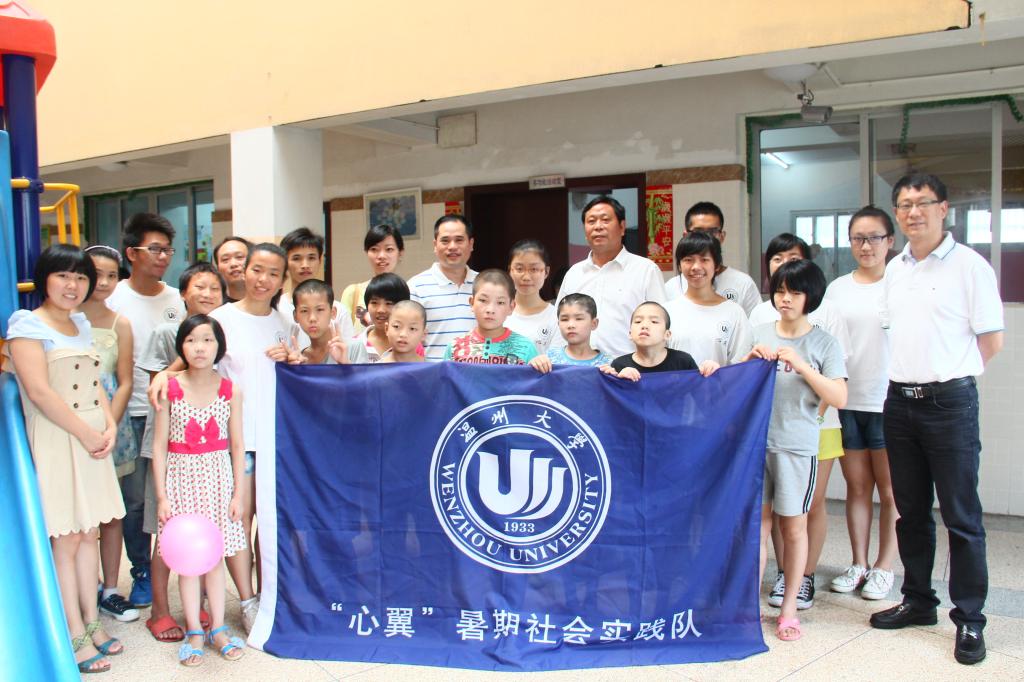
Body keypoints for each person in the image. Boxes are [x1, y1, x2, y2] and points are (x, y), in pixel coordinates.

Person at [869, 174, 1003, 666]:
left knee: (962, 516)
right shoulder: (895, 268)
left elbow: (991, 341)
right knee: (910, 511)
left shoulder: (970, 266)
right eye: (904, 204)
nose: (913, 212)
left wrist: (950, 379)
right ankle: (919, 600)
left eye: (922, 203)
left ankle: (969, 617)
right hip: (899, 402)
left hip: (949, 404)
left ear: (943, 208)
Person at [3, 244, 126, 673]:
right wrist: (86, 433)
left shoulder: (80, 323)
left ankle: (92, 623)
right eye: (63, 275)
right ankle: (72, 634)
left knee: (89, 531)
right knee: (67, 537)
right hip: (58, 436)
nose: (73, 285)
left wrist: (109, 426)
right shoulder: (26, 326)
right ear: (45, 279)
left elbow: (97, 385)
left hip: (94, 436)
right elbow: (39, 393)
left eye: (80, 277)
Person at [745, 259, 847, 642]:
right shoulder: (758, 333)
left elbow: (839, 396)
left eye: (794, 292)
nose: (785, 299)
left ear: (810, 297)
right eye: (780, 291)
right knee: (758, 528)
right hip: (757, 444)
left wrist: (802, 366)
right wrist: (748, 361)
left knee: (793, 528)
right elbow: (735, 381)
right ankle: (748, 608)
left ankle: (789, 611)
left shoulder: (824, 343)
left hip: (796, 447)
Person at [137, 261, 225, 642]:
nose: (207, 294)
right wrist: (184, 353)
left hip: (207, 452)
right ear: (183, 292)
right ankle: (159, 609)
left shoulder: (220, 331)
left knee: (203, 531)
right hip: (169, 450)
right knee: (166, 532)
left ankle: (197, 606)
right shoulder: (165, 331)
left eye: (215, 288)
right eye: (199, 287)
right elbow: (156, 382)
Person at [152, 315, 246, 666]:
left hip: (218, 482)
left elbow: (237, 445)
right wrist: (162, 497)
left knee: (215, 558)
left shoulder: (230, 390)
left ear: (219, 346)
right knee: (187, 562)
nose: (200, 347)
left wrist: (238, 494)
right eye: (191, 340)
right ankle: (194, 630)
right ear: (181, 346)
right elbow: (159, 446)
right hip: (180, 482)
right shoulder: (169, 388)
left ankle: (218, 628)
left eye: (207, 340)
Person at [106, 212, 186, 609]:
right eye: (155, 249)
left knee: (167, 498)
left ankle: (173, 565)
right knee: (135, 500)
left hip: (170, 413)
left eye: (168, 250)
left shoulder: (176, 299)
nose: (163, 257)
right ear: (131, 253)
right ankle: (140, 569)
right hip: (128, 412)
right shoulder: (113, 298)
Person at [824, 207, 898, 601]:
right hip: (848, 401)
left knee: (890, 491)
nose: (866, 246)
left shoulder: (900, 284)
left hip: (889, 402)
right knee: (856, 487)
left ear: (890, 241)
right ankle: (859, 563)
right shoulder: (837, 289)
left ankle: (885, 567)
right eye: (858, 238)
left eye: (874, 238)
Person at [80, 245, 138, 624]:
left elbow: (125, 380)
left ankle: (111, 590)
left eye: (111, 275)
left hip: (113, 431)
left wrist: (109, 427)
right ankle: (82, 588)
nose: (103, 282)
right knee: (80, 514)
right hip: (72, 428)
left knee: (112, 513)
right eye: (95, 274)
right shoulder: (64, 319)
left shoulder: (121, 323)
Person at [555, 196, 665, 358]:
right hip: (581, 367)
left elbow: (661, 324)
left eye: (605, 220)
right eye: (591, 221)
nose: (598, 226)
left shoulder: (645, 270)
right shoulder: (574, 273)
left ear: (622, 227)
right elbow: (559, 323)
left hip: (629, 368)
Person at [665, 232, 753, 367]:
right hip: (676, 381)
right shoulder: (667, 312)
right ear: (679, 266)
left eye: (704, 260)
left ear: (716, 265)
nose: (696, 267)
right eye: (688, 260)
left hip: (719, 382)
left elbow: (741, 366)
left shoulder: (734, 312)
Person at [665, 201, 761, 314]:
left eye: (712, 232)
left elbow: (757, 322)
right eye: (698, 231)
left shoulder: (743, 283)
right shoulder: (671, 288)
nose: (705, 238)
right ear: (686, 236)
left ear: (722, 236)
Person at [409, 214, 478, 361]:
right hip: (433, 373)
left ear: (471, 244)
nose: (452, 246)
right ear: (435, 245)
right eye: (445, 241)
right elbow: (407, 340)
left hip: (476, 373)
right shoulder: (415, 287)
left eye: (459, 240)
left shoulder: (484, 285)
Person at [444, 269, 538, 365]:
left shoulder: (526, 348)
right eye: (483, 300)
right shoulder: (455, 348)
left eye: (500, 302)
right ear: (472, 303)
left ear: (511, 307)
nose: (490, 309)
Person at [600, 301, 713, 380]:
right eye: (638, 321)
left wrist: (711, 373)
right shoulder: (619, 365)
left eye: (654, 321)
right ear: (630, 334)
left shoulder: (683, 361)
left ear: (667, 334)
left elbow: (699, 392)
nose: (644, 325)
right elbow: (612, 402)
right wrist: (618, 380)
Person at [339, 223, 405, 334]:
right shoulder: (353, 293)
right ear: (367, 252)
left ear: (400, 252)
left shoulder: (410, 293)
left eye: (389, 249)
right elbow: (342, 335)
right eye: (374, 249)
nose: (381, 256)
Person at [505, 240, 558, 354]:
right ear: (510, 270)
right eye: (519, 269)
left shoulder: (556, 317)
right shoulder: (498, 312)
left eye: (534, 269)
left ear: (546, 272)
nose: (526, 277)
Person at [347, 273, 410, 363]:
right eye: (374, 303)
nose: (381, 310)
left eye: (389, 303)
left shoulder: (411, 345)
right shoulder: (354, 344)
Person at [547, 294, 612, 367]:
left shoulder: (607, 364)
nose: (571, 325)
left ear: (594, 323)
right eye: (564, 319)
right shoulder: (549, 359)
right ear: (558, 323)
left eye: (579, 319)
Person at [290, 279, 344, 365]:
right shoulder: (298, 359)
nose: (312, 318)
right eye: (304, 311)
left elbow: (364, 374)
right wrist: (295, 369)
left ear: (333, 312)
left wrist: (344, 363)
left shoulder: (352, 349)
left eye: (320, 309)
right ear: (295, 316)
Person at [213, 236, 250, 303]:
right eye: (225, 259)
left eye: (239, 257)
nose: (233, 264)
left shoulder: (268, 303)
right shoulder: (215, 306)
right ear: (218, 269)